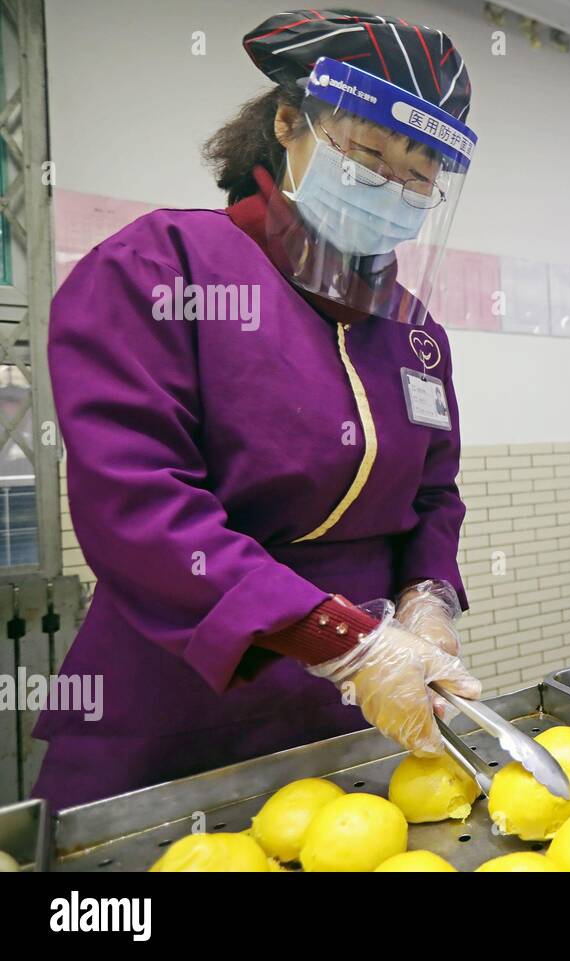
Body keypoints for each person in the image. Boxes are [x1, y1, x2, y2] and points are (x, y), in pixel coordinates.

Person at [32, 10, 483, 811]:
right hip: (178, 696)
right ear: (287, 121)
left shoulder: (412, 331)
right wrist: (336, 639)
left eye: (417, 175)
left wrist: (427, 597)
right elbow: (137, 503)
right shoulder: (160, 267)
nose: (391, 187)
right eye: (369, 153)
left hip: (347, 712)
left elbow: (433, 494)